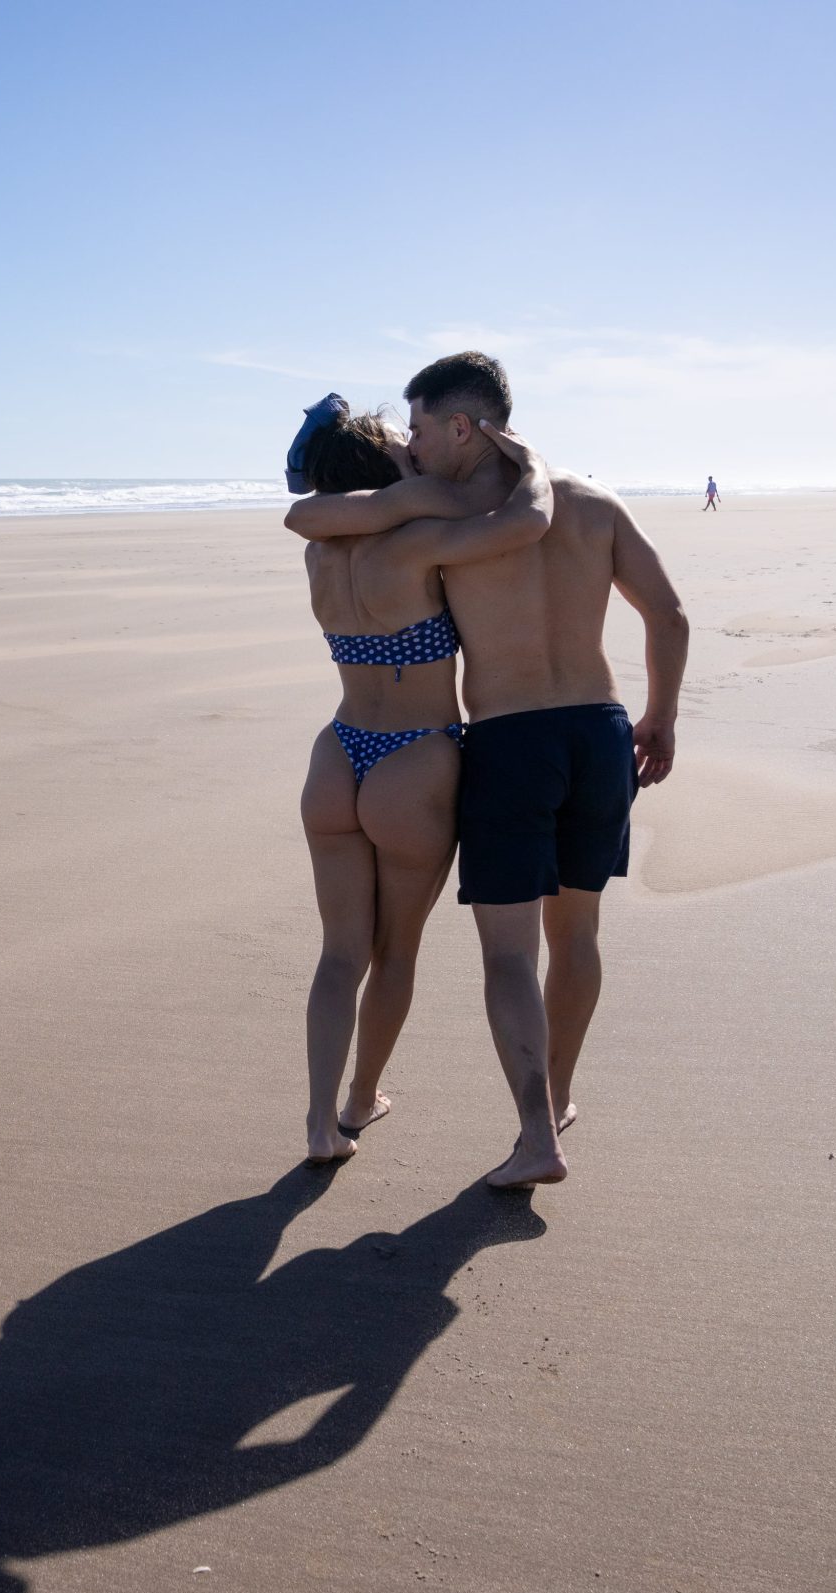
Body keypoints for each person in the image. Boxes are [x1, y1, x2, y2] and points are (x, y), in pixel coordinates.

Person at [288, 353, 689, 1190]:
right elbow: (657, 603)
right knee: (552, 936)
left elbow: (315, 516)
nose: (416, 444)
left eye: (423, 428)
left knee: (394, 955)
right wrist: (663, 716)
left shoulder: (366, 540)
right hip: (551, 736)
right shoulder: (517, 516)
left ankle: (364, 1120)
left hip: (412, 746)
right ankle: (536, 1097)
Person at [279, 395, 553, 1165]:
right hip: (415, 754)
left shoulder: (317, 552)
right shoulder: (422, 543)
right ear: (384, 471)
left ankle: (317, 1126)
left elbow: (322, 517)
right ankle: (362, 1098)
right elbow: (510, 515)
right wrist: (518, 464)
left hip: (339, 753)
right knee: (395, 953)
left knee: (339, 954)